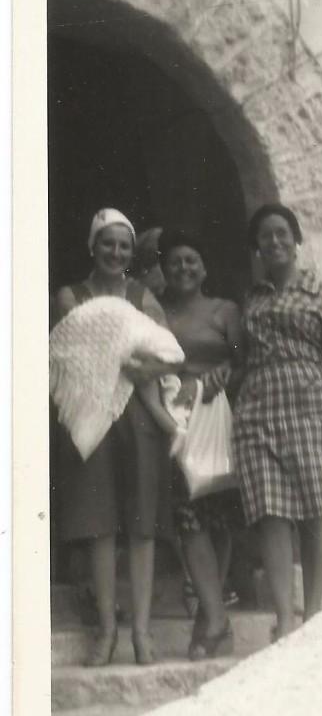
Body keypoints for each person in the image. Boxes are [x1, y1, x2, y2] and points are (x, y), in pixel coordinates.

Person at [52, 208, 176, 666]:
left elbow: (166, 353)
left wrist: (140, 367)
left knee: (142, 521)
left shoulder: (143, 295)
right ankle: (106, 631)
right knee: (99, 521)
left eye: (124, 246)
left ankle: (141, 632)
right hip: (92, 414)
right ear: (93, 246)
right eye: (108, 243)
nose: (116, 252)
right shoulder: (71, 295)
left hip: (138, 413)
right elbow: (72, 350)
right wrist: (123, 359)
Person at [232, 203, 322, 639]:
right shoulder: (252, 299)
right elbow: (241, 358)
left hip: (309, 406)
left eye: (282, 233)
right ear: (257, 247)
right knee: (271, 512)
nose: (275, 242)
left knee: (314, 509)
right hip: (257, 408)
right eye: (265, 236)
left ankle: (314, 611)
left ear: (297, 240)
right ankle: (285, 617)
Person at [158, 228, 243, 659]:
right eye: (175, 262)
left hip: (219, 419)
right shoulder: (157, 312)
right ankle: (215, 617)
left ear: (205, 269)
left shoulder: (225, 310)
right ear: (164, 270)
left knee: (219, 517)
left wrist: (225, 374)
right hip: (177, 421)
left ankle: (211, 622)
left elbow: (245, 360)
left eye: (191, 260)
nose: (183, 268)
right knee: (189, 519)